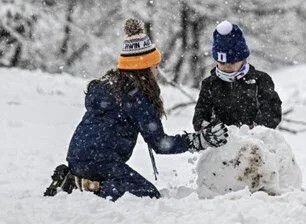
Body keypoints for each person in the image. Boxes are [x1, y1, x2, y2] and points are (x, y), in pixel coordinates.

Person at [44, 18, 229, 200]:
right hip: (100, 162)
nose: (158, 70)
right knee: (146, 194)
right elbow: (160, 144)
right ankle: (82, 185)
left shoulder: (109, 86)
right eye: (155, 66)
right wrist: (200, 140)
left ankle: (73, 177)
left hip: (77, 156)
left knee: (131, 187)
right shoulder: (135, 97)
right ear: (145, 68)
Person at [192, 20, 282, 132]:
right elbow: (200, 116)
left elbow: (272, 113)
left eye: (232, 63)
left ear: (243, 59)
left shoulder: (260, 80)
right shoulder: (210, 83)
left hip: (255, 142)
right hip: (222, 143)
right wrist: (211, 130)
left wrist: (253, 129)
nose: (227, 67)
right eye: (222, 63)